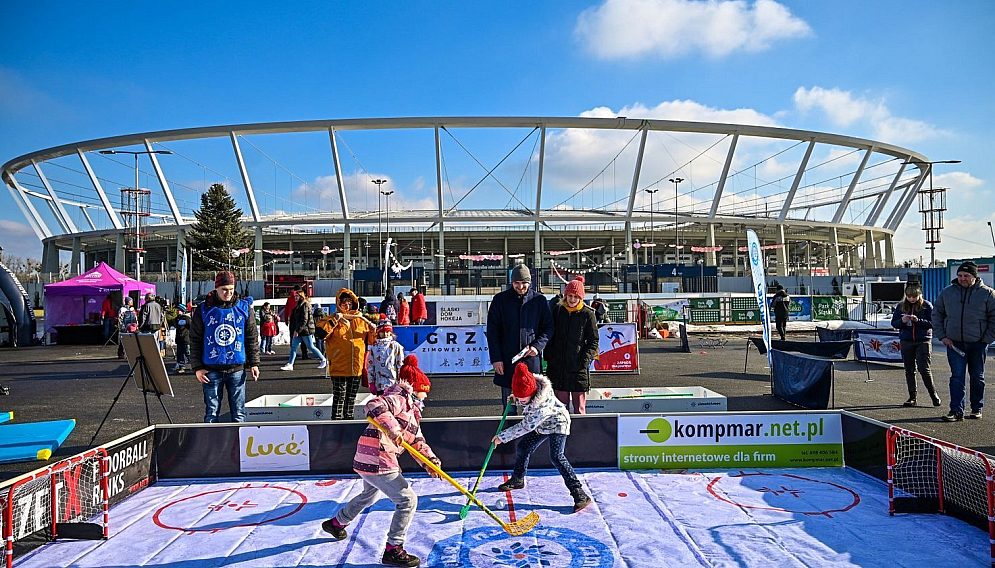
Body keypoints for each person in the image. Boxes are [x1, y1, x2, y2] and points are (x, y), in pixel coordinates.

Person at [320, 362, 437, 567]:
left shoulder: (412, 413)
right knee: (407, 500)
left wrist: (431, 463)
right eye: (424, 392)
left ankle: (337, 523)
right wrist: (392, 428)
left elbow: (417, 442)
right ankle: (394, 549)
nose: (426, 396)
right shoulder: (400, 399)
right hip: (378, 457)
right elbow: (374, 405)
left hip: (368, 458)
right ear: (415, 390)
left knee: (369, 494)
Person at [493, 362, 592, 513]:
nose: (520, 402)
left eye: (523, 400)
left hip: (558, 423)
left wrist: (502, 437)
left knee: (556, 456)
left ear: (532, 393)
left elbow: (525, 426)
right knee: (523, 447)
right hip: (541, 425)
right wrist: (516, 398)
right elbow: (523, 394)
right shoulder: (529, 383)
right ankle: (518, 479)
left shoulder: (541, 405)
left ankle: (580, 494)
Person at [190, 271, 260, 423]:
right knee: (211, 414)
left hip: (237, 368)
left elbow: (251, 337)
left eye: (231, 289)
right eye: (224, 290)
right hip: (211, 369)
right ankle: (210, 446)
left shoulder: (244, 308)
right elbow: (195, 339)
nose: (228, 293)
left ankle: (239, 445)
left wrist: (254, 363)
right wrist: (197, 367)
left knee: (239, 414)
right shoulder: (203, 309)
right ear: (216, 289)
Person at [932, 261, 995, 421]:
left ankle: (976, 408)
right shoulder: (947, 292)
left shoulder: (988, 294)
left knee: (977, 377)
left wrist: (986, 339)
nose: (962, 278)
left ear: (974, 276)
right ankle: (956, 411)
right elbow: (937, 314)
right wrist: (942, 336)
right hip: (954, 343)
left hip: (977, 344)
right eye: (960, 275)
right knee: (957, 377)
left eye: (966, 275)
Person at [486, 264, 553, 411]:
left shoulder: (539, 300)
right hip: (507, 360)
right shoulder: (500, 300)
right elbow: (492, 332)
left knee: (534, 406)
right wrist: (496, 358)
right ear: (512, 282)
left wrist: (537, 346)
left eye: (524, 283)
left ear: (530, 282)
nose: (521, 286)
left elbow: (548, 328)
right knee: (509, 407)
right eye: (517, 283)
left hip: (531, 361)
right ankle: (509, 430)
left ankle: (534, 433)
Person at [317, 288, 376, 420]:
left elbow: (371, 341)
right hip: (339, 366)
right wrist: (335, 320)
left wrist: (373, 331)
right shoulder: (330, 319)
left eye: (350, 303)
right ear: (339, 304)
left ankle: (348, 422)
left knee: (351, 398)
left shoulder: (361, 320)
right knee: (339, 396)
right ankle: (336, 423)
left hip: (356, 366)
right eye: (344, 303)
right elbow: (321, 334)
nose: (347, 306)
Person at [546, 276, 599, 414]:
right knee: (560, 409)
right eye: (570, 295)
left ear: (581, 298)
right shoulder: (557, 311)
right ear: (565, 295)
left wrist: (585, 360)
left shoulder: (588, 314)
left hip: (578, 368)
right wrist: (550, 356)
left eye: (576, 296)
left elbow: (593, 340)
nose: (572, 299)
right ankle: (561, 435)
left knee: (579, 409)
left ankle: (580, 435)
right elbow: (550, 335)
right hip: (559, 367)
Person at [890, 285, 939, 407]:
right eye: (909, 296)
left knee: (924, 369)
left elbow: (933, 323)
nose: (912, 299)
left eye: (914, 296)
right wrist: (903, 321)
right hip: (906, 341)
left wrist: (918, 321)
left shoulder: (926, 305)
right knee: (909, 370)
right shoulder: (901, 306)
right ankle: (912, 397)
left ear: (919, 295)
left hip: (923, 341)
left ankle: (933, 395)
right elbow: (894, 323)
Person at [280, 289, 327, 371]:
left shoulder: (305, 305)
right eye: (295, 296)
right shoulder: (298, 305)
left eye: (297, 296)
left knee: (311, 346)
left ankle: (323, 359)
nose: (295, 297)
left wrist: (297, 330)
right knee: (294, 347)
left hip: (305, 330)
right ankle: (290, 364)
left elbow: (304, 319)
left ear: (301, 296)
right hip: (300, 329)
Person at [367, 315, 405, 395]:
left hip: (393, 383)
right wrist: (371, 382)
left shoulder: (395, 346)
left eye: (387, 331)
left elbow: (400, 364)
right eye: (382, 332)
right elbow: (371, 366)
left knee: (393, 405)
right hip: (379, 384)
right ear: (378, 332)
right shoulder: (374, 347)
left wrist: (401, 381)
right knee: (381, 405)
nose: (385, 334)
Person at [173, 306, 191, 374]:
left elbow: (191, 327)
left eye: (179, 310)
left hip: (186, 339)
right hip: (179, 339)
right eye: (177, 310)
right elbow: (175, 325)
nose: (177, 311)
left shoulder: (187, 318)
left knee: (187, 353)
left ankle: (196, 365)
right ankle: (181, 367)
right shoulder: (177, 318)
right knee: (180, 354)